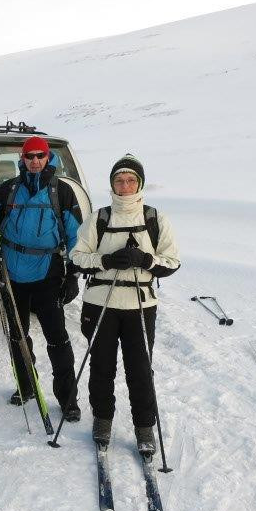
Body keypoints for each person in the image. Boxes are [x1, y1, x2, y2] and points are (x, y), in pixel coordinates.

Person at [70, 155, 180, 452]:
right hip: (100, 303)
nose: (125, 185)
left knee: (140, 369)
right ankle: (102, 420)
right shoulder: (99, 218)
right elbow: (77, 257)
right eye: (119, 180)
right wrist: (105, 261)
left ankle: (144, 428)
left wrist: (146, 260)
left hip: (140, 305)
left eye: (131, 179)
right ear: (112, 184)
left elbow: (171, 262)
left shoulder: (155, 218)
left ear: (139, 183)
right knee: (101, 366)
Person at [0, 135, 83, 420]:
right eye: (29, 156)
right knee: (17, 334)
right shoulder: (7, 191)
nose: (35, 161)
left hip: (47, 271)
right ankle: (26, 386)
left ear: (48, 158)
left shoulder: (61, 192)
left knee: (57, 337)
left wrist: (72, 274)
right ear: (22, 159)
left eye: (40, 156)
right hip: (11, 273)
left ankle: (68, 398)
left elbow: (75, 237)